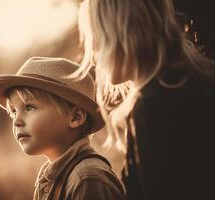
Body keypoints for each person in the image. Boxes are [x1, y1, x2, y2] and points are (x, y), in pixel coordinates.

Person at [75, 0, 215, 199]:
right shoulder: (196, 78)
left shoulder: (154, 105)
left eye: (98, 39)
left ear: (125, 34)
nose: (94, 54)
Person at [0, 57, 125, 200]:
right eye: (13, 112)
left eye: (29, 108)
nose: (16, 121)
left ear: (75, 117)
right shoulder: (55, 176)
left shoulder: (87, 179)